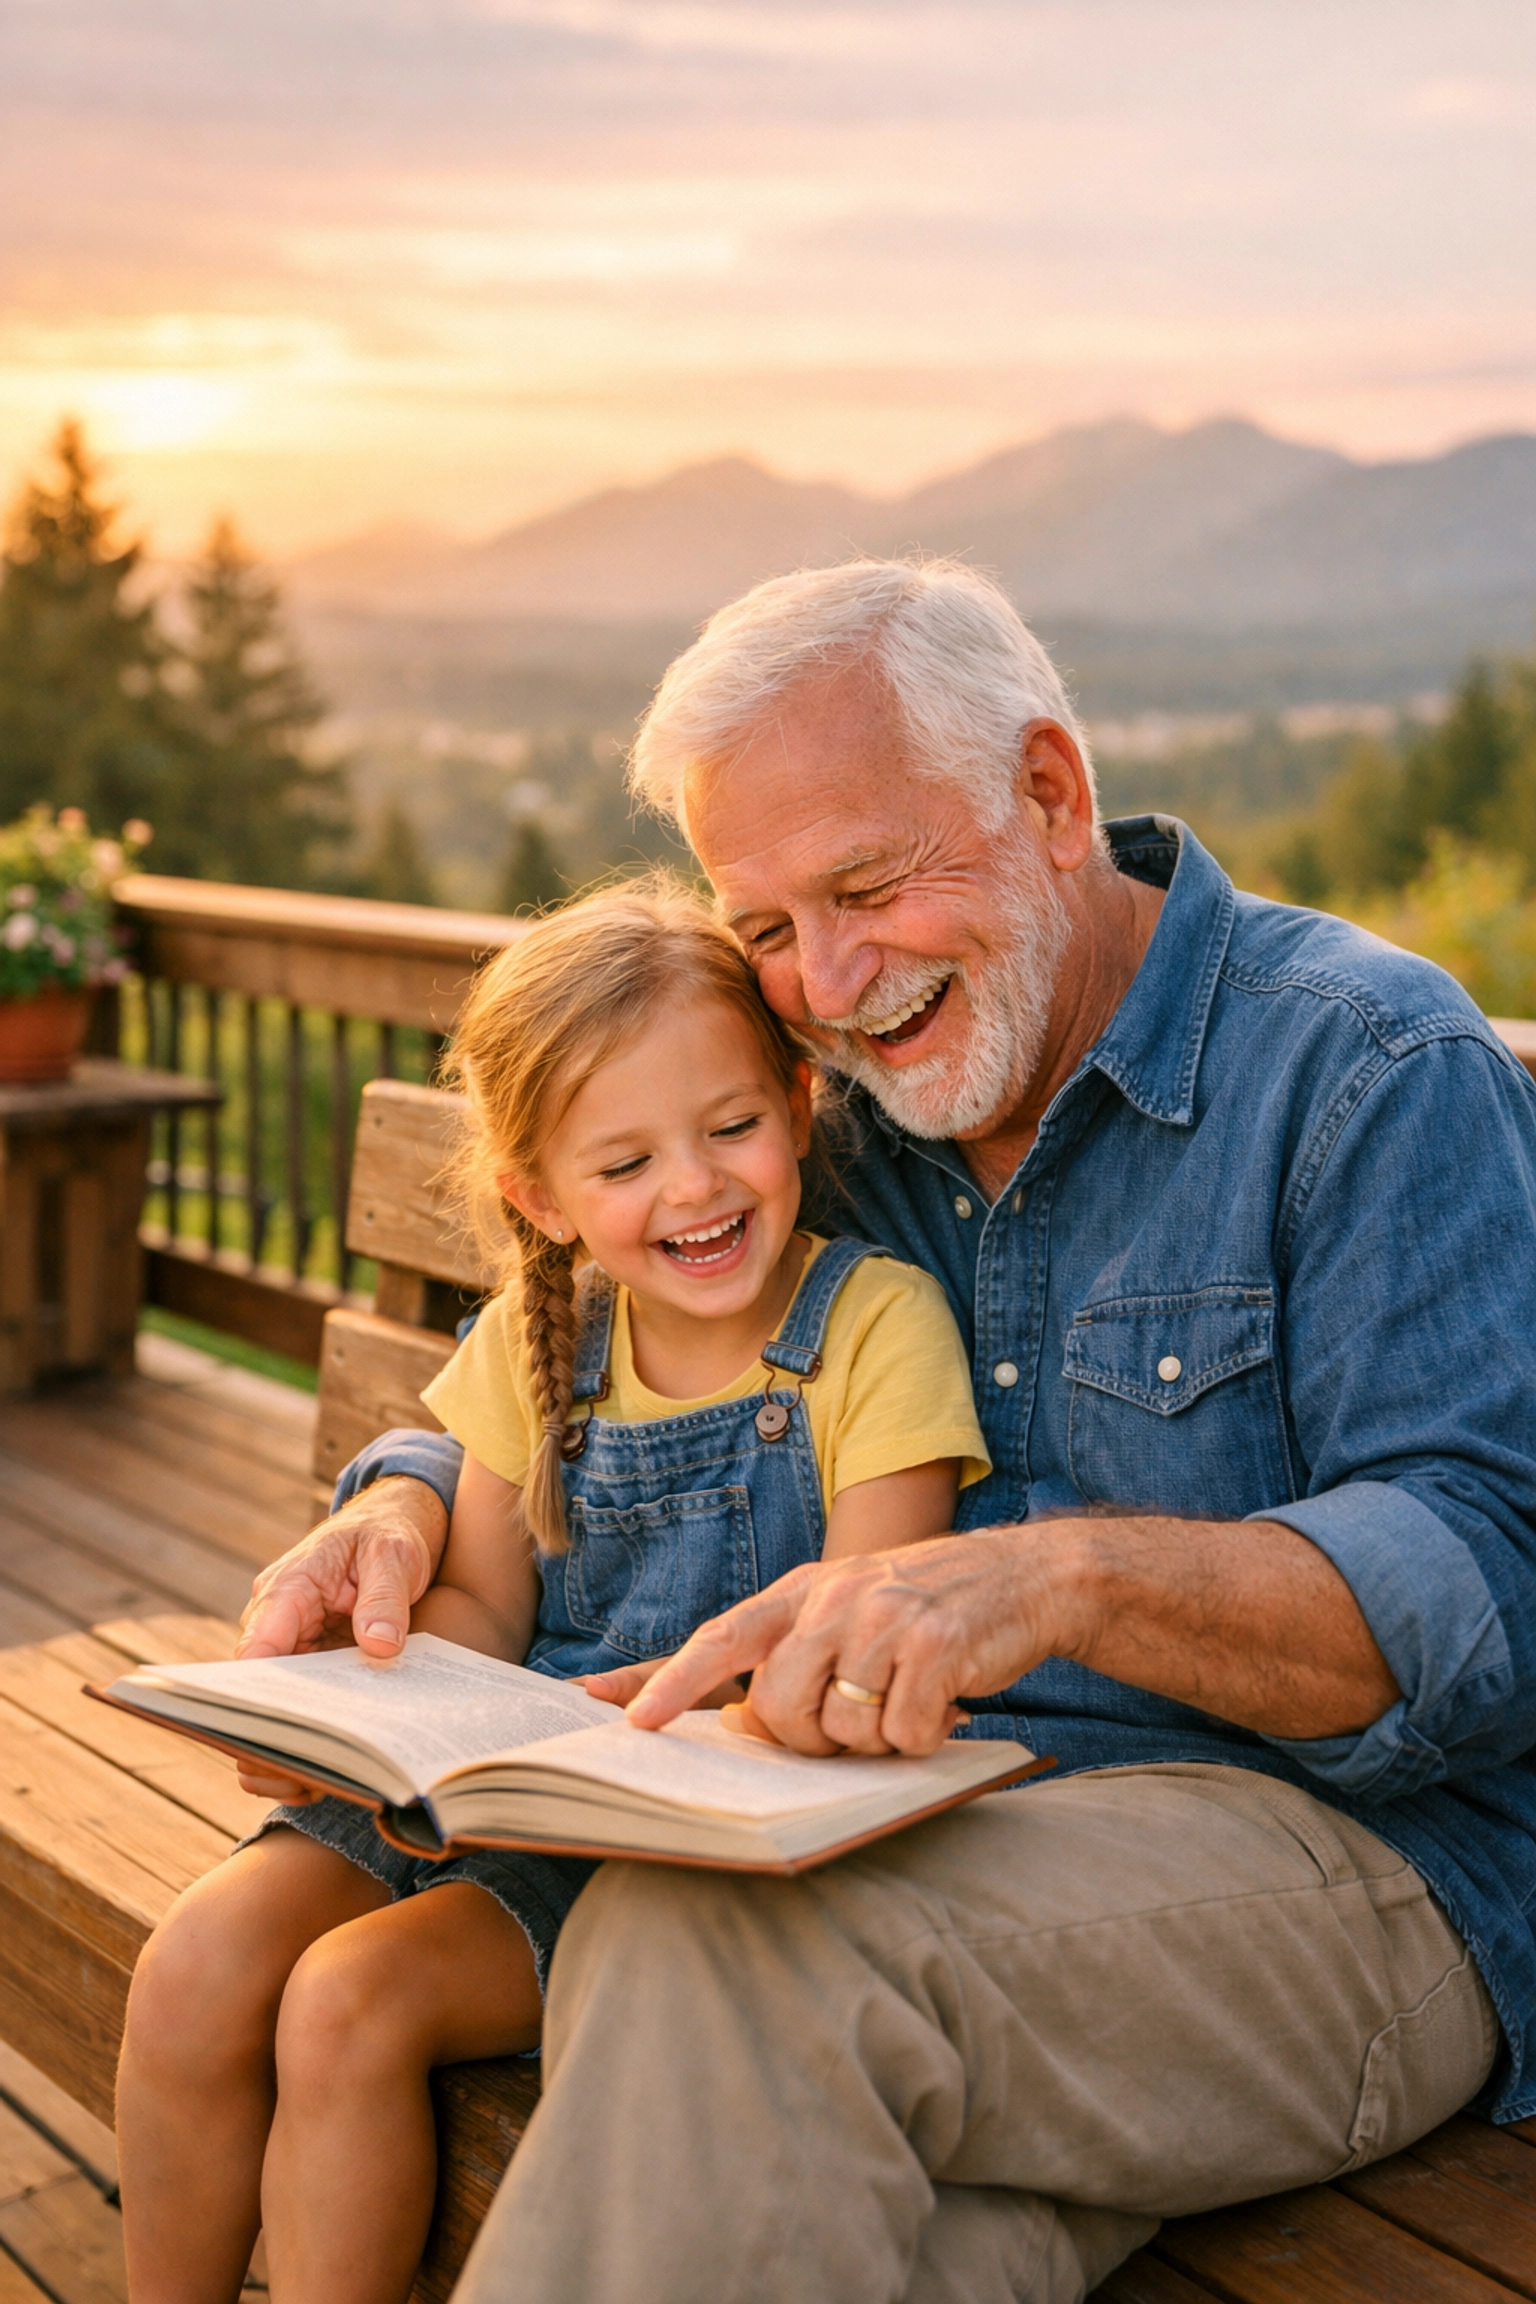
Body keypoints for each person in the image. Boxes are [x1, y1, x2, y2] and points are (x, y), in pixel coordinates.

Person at [240, 558, 1536, 2304]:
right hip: (932, 1860)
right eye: (767, 928)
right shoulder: (843, 1110)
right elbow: (587, 1327)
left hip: (1359, 1869)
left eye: (869, 885)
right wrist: (393, 1501)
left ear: (1050, 794)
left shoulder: (1365, 1067)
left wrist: (1058, 1579)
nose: (833, 980)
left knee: (709, 1948)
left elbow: (1493, 1589)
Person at [115, 877, 989, 2304]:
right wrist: (356, 1723)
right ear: (541, 1196)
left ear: (797, 1100)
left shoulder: (874, 1328)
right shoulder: (550, 1338)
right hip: (494, 1797)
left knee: (346, 2003)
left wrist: (671, 1728)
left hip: (671, 1854)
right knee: (199, 1965)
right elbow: (471, 1616)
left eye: (731, 1128)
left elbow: (854, 1645)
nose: (695, 1190)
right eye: (626, 1162)